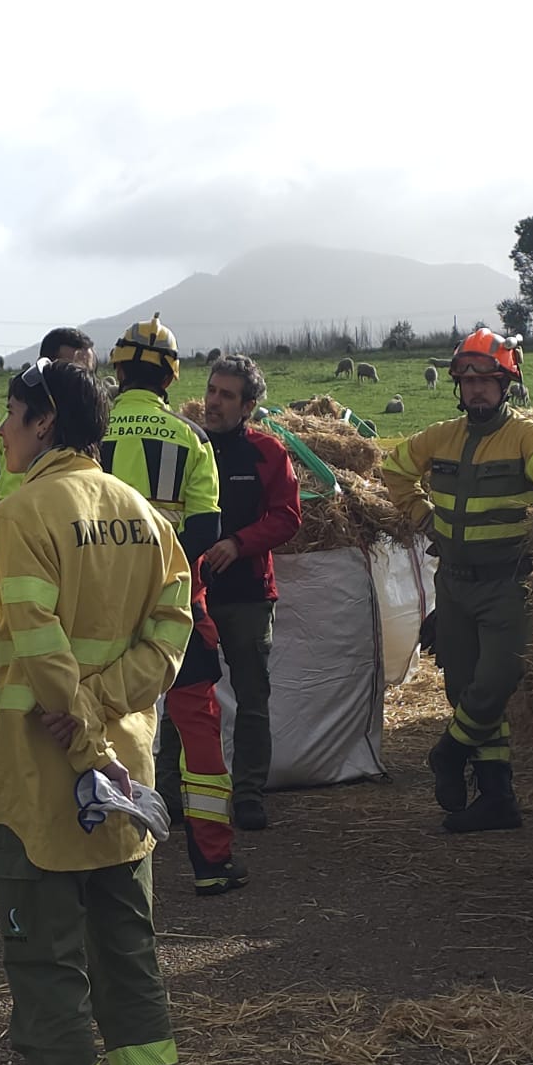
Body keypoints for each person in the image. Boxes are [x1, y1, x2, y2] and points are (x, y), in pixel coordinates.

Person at [0, 357, 195, 1065]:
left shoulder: (24, 510)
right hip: (128, 779)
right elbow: (171, 633)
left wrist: (77, 725)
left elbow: (36, 639)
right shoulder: (147, 519)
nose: (0, 430)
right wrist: (107, 717)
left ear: (41, 421)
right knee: (129, 961)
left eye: (9, 414)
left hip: (44, 781)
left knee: (47, 970)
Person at [381, 329, 533, 832]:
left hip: (508, 585)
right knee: (464, 686)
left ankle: (448, 753)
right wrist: (423, 516)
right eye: (467, 381)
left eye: (486, 381)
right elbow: (395, 468)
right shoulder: (441, 436)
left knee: (495, 682)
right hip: (453, 583)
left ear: (507, 383)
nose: (476, 390)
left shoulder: (527, 436)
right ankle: (497, 797)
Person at [101, 314, 246, 896]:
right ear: (171, 376)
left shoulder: (91, 431)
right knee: (198, 727)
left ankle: (101, 854)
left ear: (117, 368)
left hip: (99, 605)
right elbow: (208, 531)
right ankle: (212, 862)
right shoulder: (193, 439)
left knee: (102, 721)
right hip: (176, 605)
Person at [197, 355, 301, 830]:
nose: (213, 401)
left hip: (249, 596)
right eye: (212, 390)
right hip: (190, 595)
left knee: (252, 698)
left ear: (249, 406)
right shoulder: (185, 444)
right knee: (188, 696)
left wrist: (238, 544)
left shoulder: (268, 452)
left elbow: (287, 517)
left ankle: (249, 796)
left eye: (226, 395)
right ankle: (182, 796)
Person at [0, 327, 97, 499]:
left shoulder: (91, 423)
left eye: (86, 373)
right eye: (69, 369)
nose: (79, 381)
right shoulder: (18, 426)